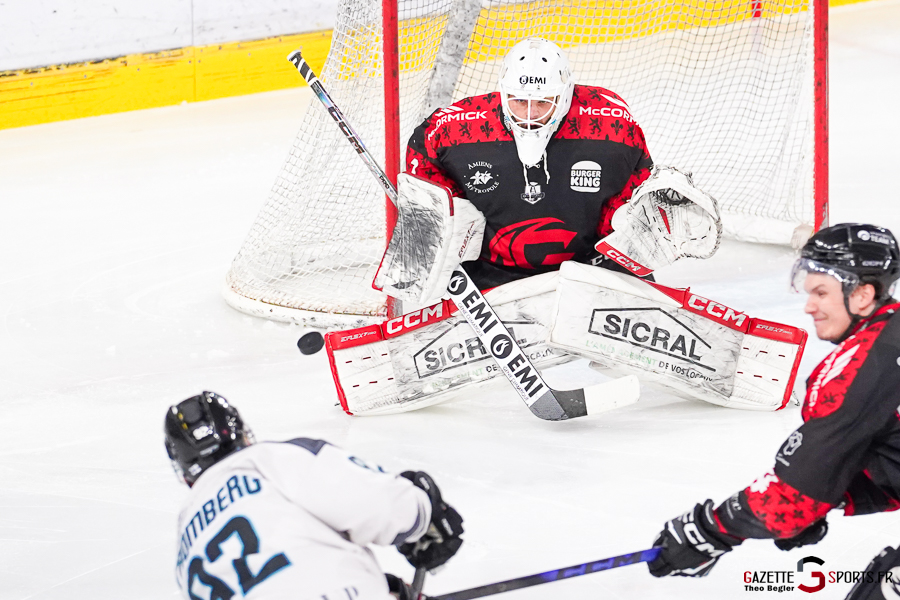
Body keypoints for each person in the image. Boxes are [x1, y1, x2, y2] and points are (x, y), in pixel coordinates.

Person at [647, 223, 900, 598]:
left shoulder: (859, 370)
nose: (809, 305)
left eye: (821, 292)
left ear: (862, 295)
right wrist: (832, 496)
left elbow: (792, 497)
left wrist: (711, 529)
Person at [405, 37, 654, 290]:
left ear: (566, 93)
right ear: (504, 92)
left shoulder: (610, 126)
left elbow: (633, 187)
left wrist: (629, 218)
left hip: (588, 269)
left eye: (544, 101)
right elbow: (423, 154)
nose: (530, 115)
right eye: (520, 100)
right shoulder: (458, 128)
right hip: (488, 274)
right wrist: (447, 214)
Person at [165, 391, 463, 600]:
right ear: (241, 433)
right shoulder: (268, 460)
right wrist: (425, 512)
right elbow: (385, 508)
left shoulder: (185, 532)